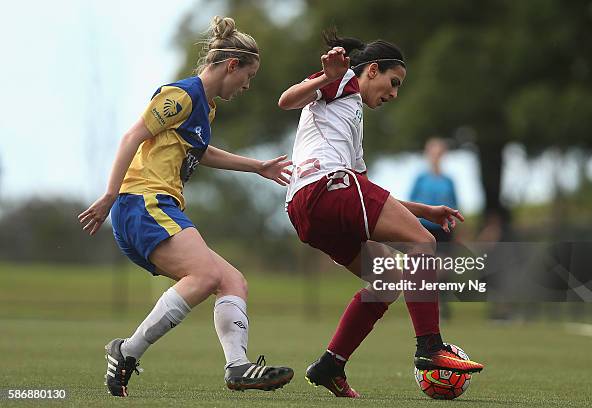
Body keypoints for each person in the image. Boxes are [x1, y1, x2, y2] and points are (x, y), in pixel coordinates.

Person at [78, 16, 293, 397]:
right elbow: (132, 136)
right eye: (249, 75)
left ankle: (237, 367)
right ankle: (127, 352)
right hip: (141, 202)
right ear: (231, 65)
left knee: (232, 281)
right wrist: (110, 194)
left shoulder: (205, 107)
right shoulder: (182, 95)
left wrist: (256, 166)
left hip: (158, 206)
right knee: (207, 276)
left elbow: (201, 151)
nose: (247, 85)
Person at [278, 29, 483, 398]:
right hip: (329, 186)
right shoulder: (342, 81)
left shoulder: (351, 120)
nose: (394, 93)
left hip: (304, 207)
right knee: (423, 242)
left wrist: (426, 210)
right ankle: (431, 347)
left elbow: (366, 195)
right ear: (372, 69)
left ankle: (330, 365)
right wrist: (327, 75)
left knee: (388, 282)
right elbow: (286, 101)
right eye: (393, 82)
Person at [410, 137, 458, 319]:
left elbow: (455, 205)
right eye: (433, 153)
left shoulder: (448, 180)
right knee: (427, 269)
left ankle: (443, 307)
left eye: (439, 153)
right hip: (424, 229)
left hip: (444, 230)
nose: (436, 157)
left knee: (444, 269)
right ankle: (426, 311)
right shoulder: (420, 179)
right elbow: (412, 204)